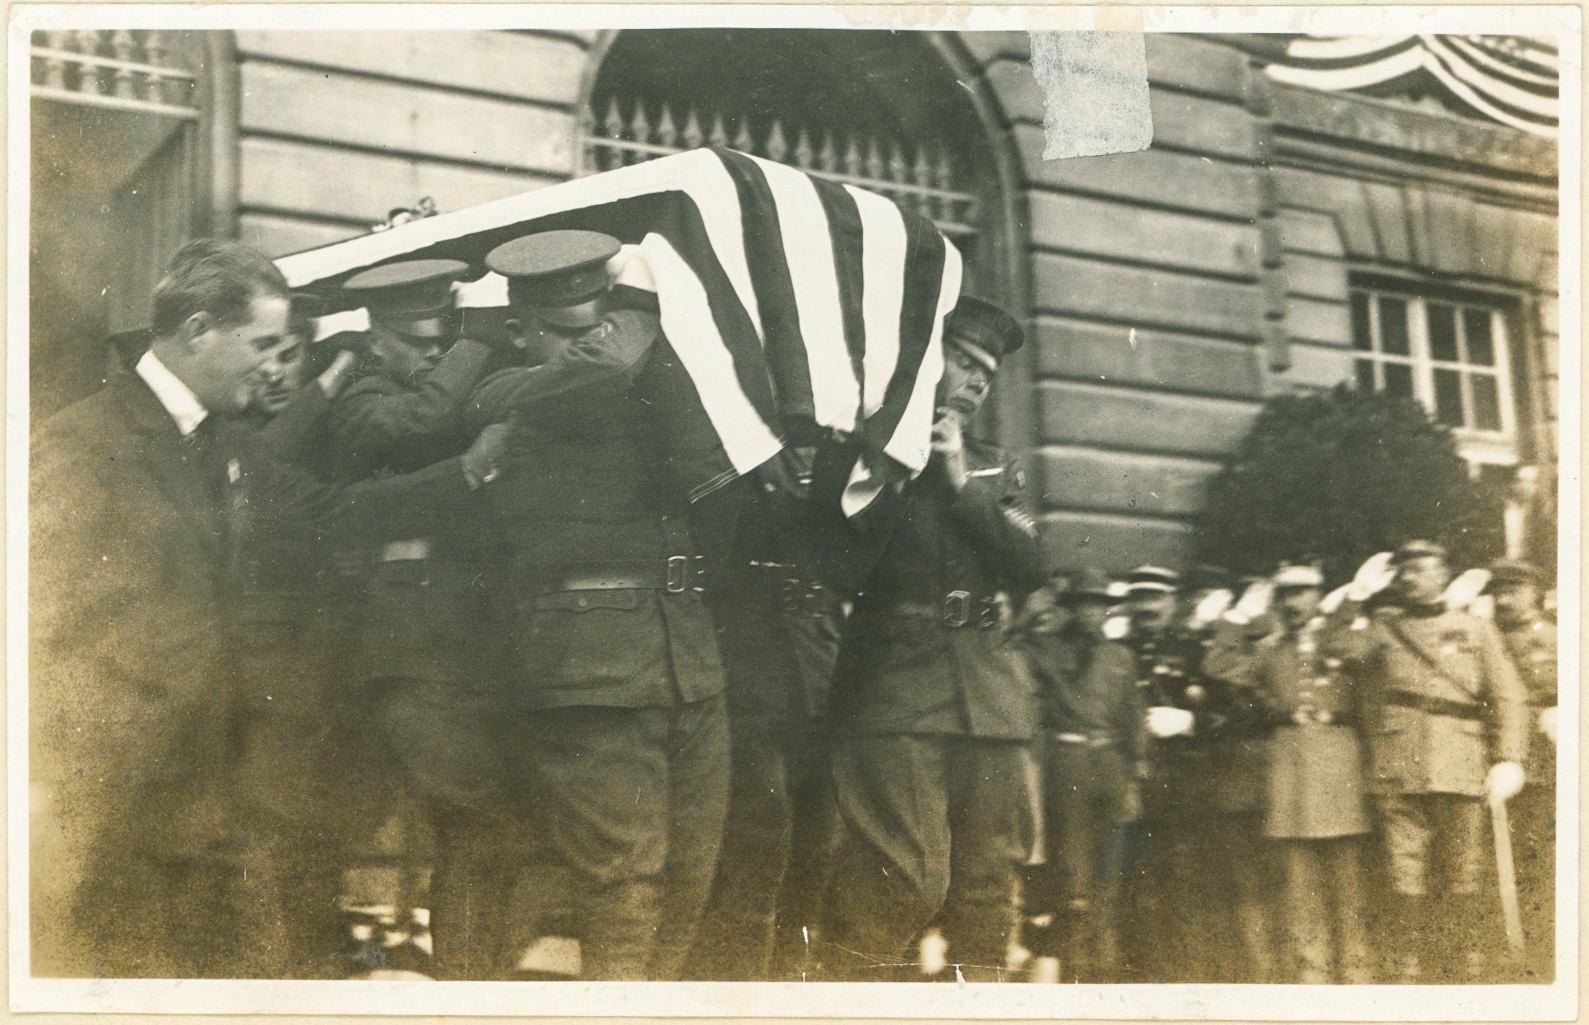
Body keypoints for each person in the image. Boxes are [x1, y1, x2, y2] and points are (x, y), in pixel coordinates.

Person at [463, 229, 731, 981]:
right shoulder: (504, 393)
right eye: (575, 330)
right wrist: (641, 307)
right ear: (520, 329)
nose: (600, 342)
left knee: (688, 877)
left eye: (603, 321)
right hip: (593, 665)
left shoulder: (636, 383)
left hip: (685, 653)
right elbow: (601, 367)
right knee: (623, 882)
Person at [30, 239, 293, 977]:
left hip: (216, 803)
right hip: (117, 813)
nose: (274, 364)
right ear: (200, 330)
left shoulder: (224, 444)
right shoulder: (81, 444)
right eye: (264, 343)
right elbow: (32, 627)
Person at [821, 296, 1045, 982]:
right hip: (896, 692)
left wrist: (958, 485)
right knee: (903, 880)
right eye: (964, 363)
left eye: (987, 374)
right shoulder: (863, 453)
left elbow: (1030, 563)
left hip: (987, 693)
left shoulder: (992, 464)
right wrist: (901, 467)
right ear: (923, 359)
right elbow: (838, 559)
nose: (977, 383)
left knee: (987, 892)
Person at [318, 259, 516, 979]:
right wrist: (479, 333)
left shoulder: (434, 397)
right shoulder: (360, 398)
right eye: (420, 340)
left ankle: (461, 975)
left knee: (461, 821)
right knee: (472, 817)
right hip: (399, 650)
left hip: (445, 646)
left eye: (443, 338)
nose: (436, 353)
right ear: (377, 337)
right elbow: (420, 419)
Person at [1327, 541, 1528, 982]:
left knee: (1464, 870)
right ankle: (1409, 967)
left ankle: (1460, 967)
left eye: (1421, 570)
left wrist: (1509, 758)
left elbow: (1508, 695)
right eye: (1404, 571)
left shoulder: (1475, 629)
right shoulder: (1382, 627)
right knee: (1405, 870)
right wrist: (1356, 596)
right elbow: (1334, 645)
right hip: (1399, 765)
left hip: (1462, 764)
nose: (1410, 578)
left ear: (1443, 576)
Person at [1206, 564, 1371, 984]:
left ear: (1319, 595)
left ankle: (1356, 975)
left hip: (1337, 767)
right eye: (1288, 595)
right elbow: (1219, 665)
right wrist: (1238, 618)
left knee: (1347, 882)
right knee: (1299, 884)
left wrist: (1346, 607)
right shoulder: (1272, 649)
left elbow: (1365, 651)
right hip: (1290, 771)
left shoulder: (1342, 634)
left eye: (1305, 593)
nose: (1296, 603)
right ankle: (1310, 975)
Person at [1018, 567, 1145, 983]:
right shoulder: (1045, 649)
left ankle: (1100, 970)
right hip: (1066, 770)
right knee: (1072, 877)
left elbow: (1133, 719)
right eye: (1082, 604)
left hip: (1110, 770)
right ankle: (1070, 970)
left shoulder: (1120, 657)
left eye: (1099, 605)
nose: (1092, 613)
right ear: (1069, 609)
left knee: (1109, 874)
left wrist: (1132, 772)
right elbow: (1015, 652)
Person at [1487, 560, 1556, 980]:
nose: (1505, 599)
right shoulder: (1484, 636)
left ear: (1536, 593)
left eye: (1515, 590)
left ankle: (1547, 953)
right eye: (1499, 591)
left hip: (1547, 767)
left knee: (1544, 861)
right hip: (1494, 764)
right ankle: (1506, 950)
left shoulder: (1557, 637)